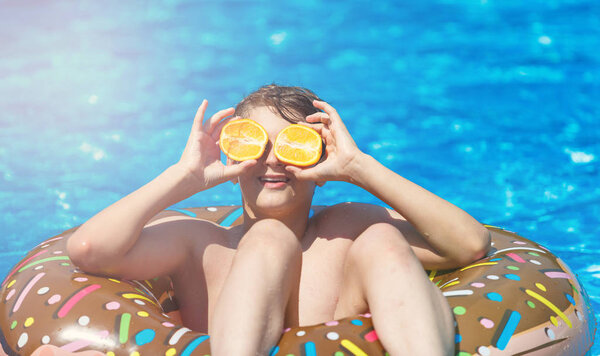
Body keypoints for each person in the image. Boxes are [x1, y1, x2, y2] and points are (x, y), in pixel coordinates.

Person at [27, 84, 490, 356]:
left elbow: (469, 244)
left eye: (293, 145)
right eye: (254, 144)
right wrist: (183, 177)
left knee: (383, 239)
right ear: (232, 155)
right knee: (268, 238)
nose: (272, 161)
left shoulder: (351, 235)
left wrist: (359, 168)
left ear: (322, 159)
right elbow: (89, 250)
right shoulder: (200, 246)